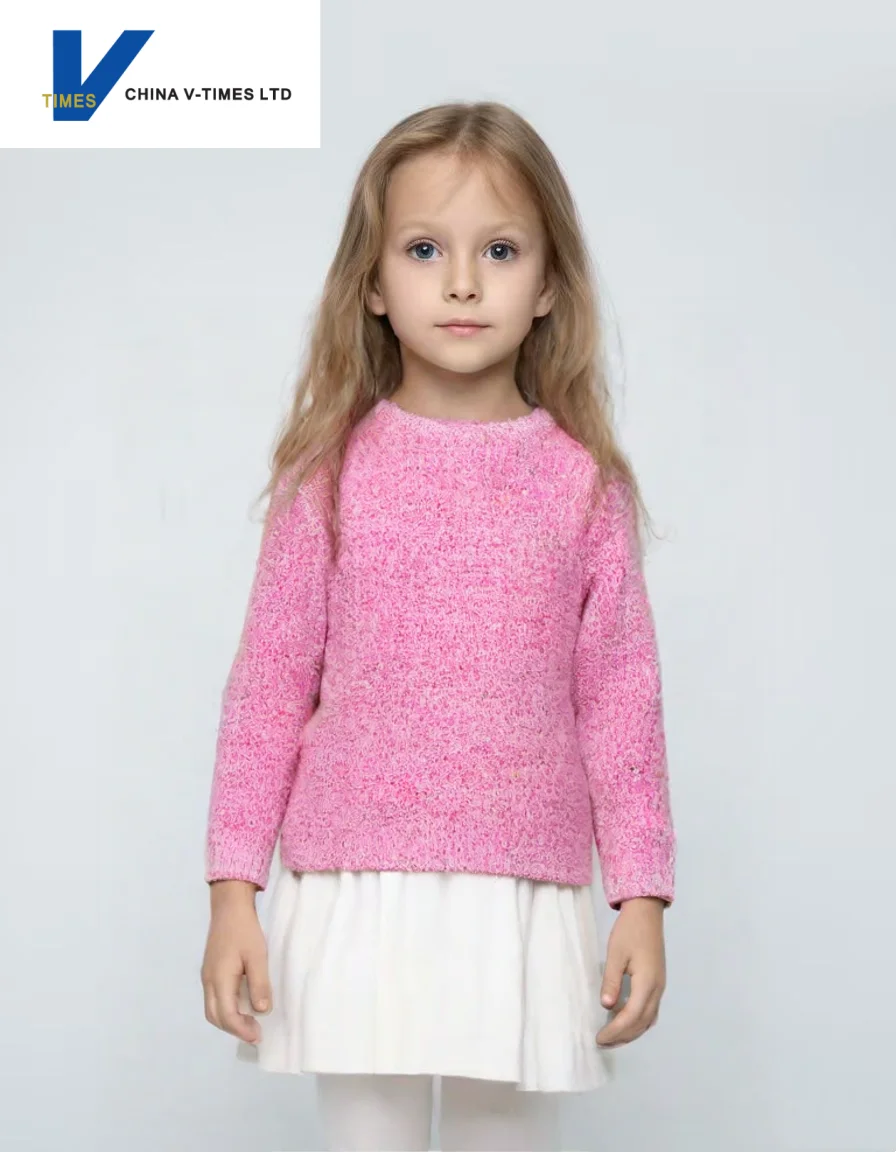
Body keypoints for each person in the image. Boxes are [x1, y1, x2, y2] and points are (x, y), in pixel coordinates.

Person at [200, 100, 676, 1152]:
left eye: (499, 250)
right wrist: (233, 889)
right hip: (355, 880)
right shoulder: (326, 479)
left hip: (518, 889)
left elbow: (620, 702)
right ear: (372, 283)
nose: (462, 282)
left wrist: (641, 894)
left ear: (547, 284)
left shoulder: (582, 488)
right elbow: (268, 689)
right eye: (424, 249)